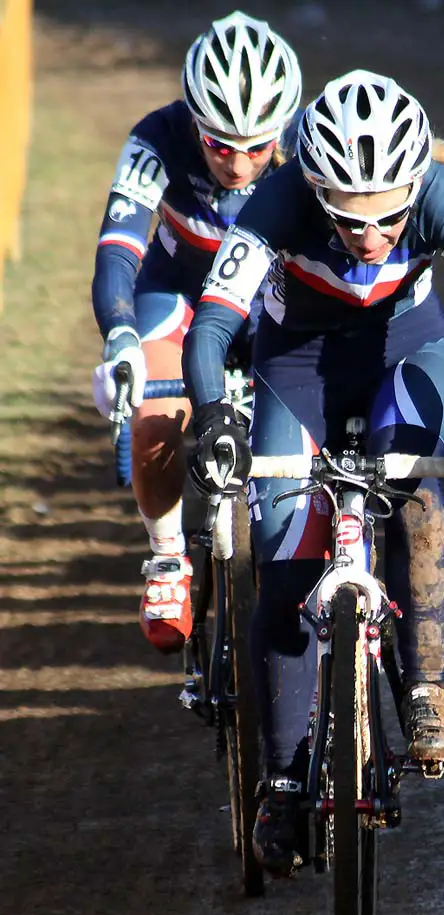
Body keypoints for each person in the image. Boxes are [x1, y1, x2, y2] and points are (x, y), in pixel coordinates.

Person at [182, 70, 444, 876]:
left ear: (415, 186)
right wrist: (218, 417)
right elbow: (211, 326)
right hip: (293, 365)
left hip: (409, 351)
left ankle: (425, 687)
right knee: (285, 550)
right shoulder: (279, 201)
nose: (368, 237)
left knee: (420, 495)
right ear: (313, 189)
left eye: (387, 218)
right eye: (344, 217)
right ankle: (282, 779)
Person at [90, 11, 302, 653]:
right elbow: (120, 251)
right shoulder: (155, 139)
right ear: (192, 123)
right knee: (155, 414)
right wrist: (121, 335)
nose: (238, 164)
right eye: (218, 146)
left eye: (257, 147)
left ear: (283, 130)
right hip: (179, 293)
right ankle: (165, 556)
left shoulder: (310, 142)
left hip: (268, 300)